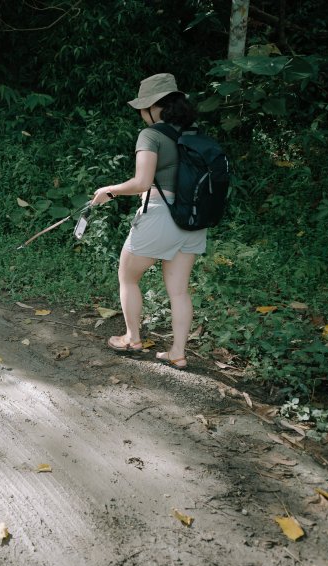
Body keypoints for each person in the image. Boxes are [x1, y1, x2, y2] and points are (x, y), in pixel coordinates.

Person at [91, 73, 202, 370]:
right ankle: (178, 353)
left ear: (154, 107)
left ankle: (131, 337)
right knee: (178, 290)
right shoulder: (194, 135)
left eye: (142, 107)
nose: (141, 114)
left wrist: (109, 191)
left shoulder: (151, 135)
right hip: (192, 218)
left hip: (160, 213)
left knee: (128, 276)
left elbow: (142, 182)